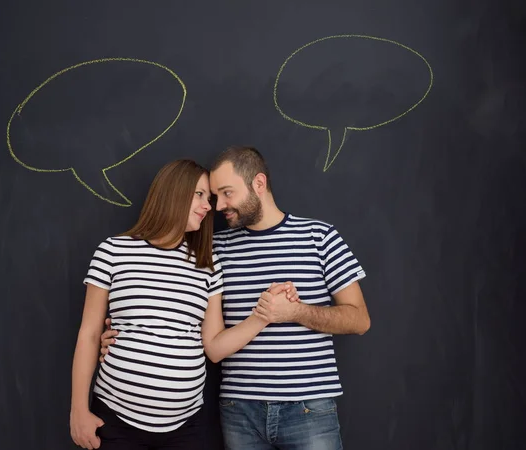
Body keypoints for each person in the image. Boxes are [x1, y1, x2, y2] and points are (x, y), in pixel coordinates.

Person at [101, 146, 371, 450]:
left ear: (258, 183)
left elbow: (359, 320)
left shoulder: (319, 236)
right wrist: (124, 337)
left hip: (309, 407)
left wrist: (296, 312)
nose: (218, 207)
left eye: (227, 193)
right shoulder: (213, 249)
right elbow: (169, 295)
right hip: (239, 410)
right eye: (214, 197)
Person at [70, 158, 298, 450]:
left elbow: (214, 347)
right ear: (172, 192)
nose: (209, 206)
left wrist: (263, 315)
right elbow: (89, 334)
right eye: (199, 194)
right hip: (115, 419)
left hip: (186, 427)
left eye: (211, 198)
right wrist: (79, 410)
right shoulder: (114, 251)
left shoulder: (207, 263)